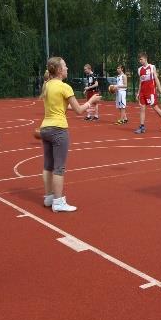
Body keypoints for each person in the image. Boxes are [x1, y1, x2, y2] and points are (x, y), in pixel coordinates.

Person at [40, 57, 101, 212]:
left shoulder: (46, 85)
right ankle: (58, 202)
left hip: (45, 128)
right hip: (59, 129)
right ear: (60, 70)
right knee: (59, 168)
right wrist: (91, 100)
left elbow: (59, 107)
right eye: (65, 66)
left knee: (48, 165)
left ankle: (49, 197)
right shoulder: (64, 87)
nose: (67, 68)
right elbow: (79, 110)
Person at [134, 52, 161, 134]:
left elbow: (156, 79)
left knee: (155, 107)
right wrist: (138, 93)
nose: (140, 61)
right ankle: (142, 127)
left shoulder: (152, 67)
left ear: (145, 59)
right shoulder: (139, 70)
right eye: (139, 60)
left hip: (151, 92)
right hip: (143, 92)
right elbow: (140, 82)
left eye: (141, 59)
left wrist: (160, 90)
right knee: (142, 108)